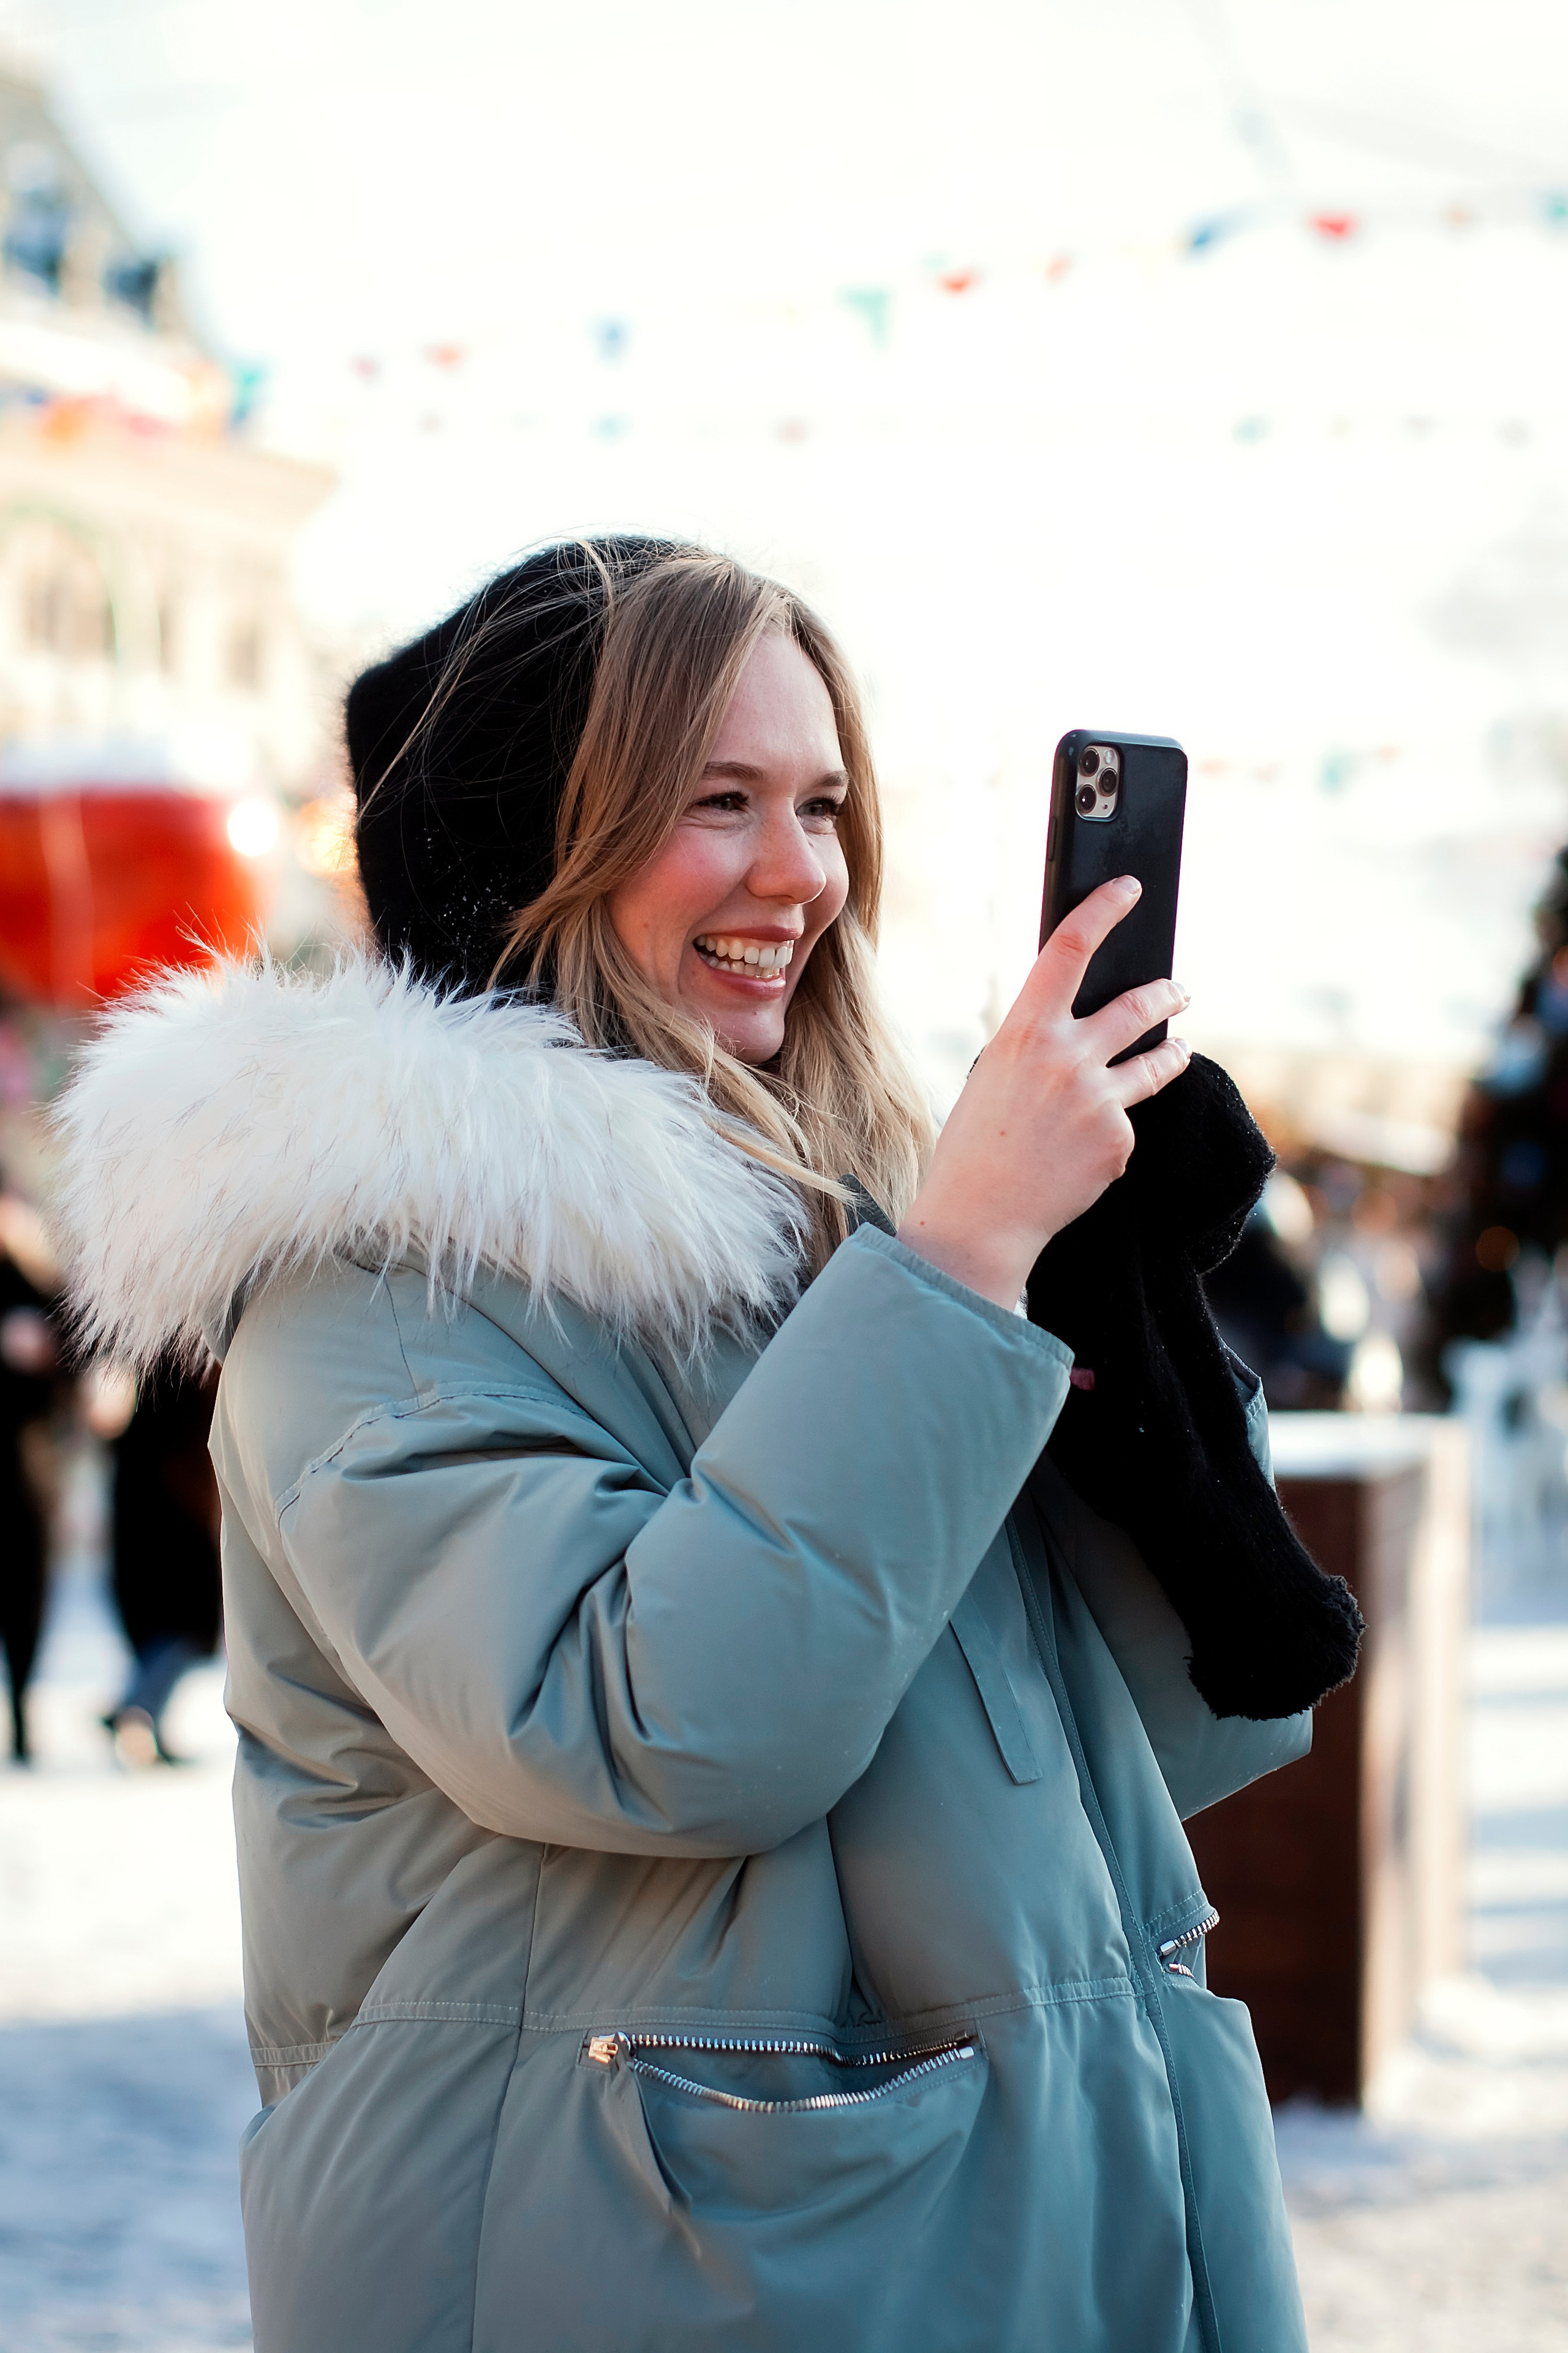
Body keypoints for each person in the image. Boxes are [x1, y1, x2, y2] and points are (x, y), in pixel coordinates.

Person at [58, 540, 1317, 2353]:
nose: (796, 870)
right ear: (525, 843)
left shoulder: (845, 1237)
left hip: (1025, 2201)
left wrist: (1114, 1312)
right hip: (674, 2249)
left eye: (820, 801)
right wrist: (958, 1267)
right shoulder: (383, 1278)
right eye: (713, 800)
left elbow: (1184, 1724)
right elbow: (658, 1736)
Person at [101, 1358, 221, 1766]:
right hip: (175, 1506)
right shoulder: (186, 1358)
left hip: (150, 1500)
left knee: (174, 1626)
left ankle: (145, 1714)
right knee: (187, 1626)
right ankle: (138, 1708)